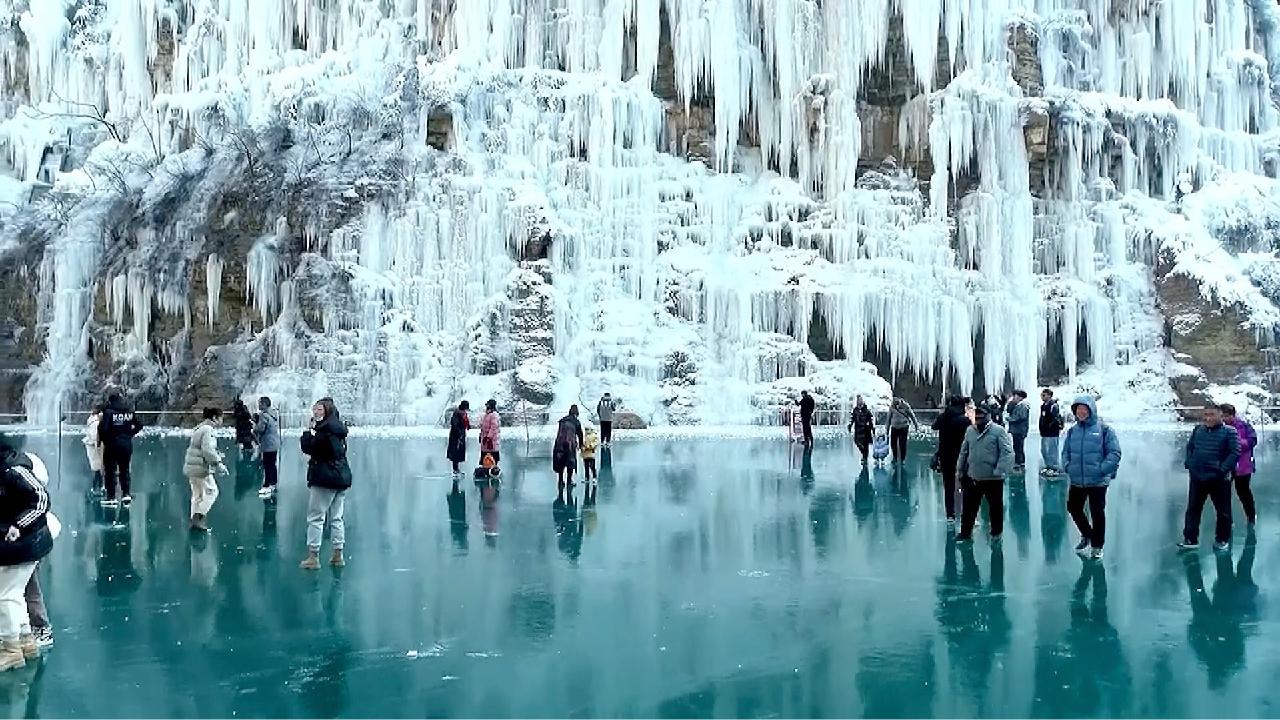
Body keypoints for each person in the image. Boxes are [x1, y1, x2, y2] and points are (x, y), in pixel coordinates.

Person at [0, 435, 54, 671]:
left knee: (7, 595)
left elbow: (41, 500)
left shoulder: (12, 470)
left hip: (25, 544)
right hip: (19, 543)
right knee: (15, 592)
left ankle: (11, 649)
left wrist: (18, 525)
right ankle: (26, 642)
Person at [1060, 395, 1121, 560]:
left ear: (1091, 410)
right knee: (1073, 507)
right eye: (1078, 409)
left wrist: (1102, 470)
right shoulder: (1073, 431)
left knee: (1097, 513)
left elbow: (1114, 453)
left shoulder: (1104, 430)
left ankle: (1097, 546)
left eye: (1084, 409)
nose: (1081, 412)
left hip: (1097, 481)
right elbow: (1065, 452)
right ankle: (1087, 534)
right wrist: (1067, 466)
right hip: (1077, 479)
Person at [1179, 405, 1240, 553]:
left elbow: (1234, 452)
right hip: (1198, 477)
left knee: (1223, 511)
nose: (1207, 418)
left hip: (1219, 480)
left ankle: (1222, 539)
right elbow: (1190, 447)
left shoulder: (1229, 432)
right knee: (1193, 509)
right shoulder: (1198, 430)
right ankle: (1190, 539)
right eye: (1205, 414)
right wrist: (1190, 463)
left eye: (1211, 415)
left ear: (1220, 416)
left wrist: (1222, 469)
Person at [300, 398, 352, 569]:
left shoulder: (325, 432)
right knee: (337, 517)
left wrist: (307, 433)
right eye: (314, 409)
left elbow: (311, 449)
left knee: (316, 517)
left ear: (327, 411)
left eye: (319, 409)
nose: (315, 412)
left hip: (324, 479)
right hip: (341, 478)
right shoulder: (339, 430)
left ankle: (313, 557)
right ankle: (338, 555)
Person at [955, 405, 1014, 544]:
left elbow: (1007, 453)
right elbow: (964, 451)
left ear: (988, 417)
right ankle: (965, 533)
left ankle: (996, 533)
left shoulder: (998, 431)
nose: (979, 419)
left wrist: (998, 471)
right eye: (977, 417)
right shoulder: (970, 430)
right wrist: (960, 469)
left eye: (982, 417)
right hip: (973, 476)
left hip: (993, 478)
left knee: (995, 507)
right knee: (969, 506)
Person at [183, 408, 228, 532]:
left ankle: (194, 520)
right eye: (220, 417)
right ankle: (199, 517)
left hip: (192, 466)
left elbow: (202, 447)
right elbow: (207, 450)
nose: (222, 420)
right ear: (214, 418)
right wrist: (218, 463)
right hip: (201, 467)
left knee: (197, 495)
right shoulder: (208, 430)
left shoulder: (199, 428)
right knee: (212, 492)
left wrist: (217, 453)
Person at [933, 396, 973, 524]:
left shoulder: (943, 417)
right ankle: (965, 513)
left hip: (945, 455)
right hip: (962, 456)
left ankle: (950, 514)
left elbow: (934, 426)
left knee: (948, 486)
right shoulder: (964, 420)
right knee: (966, 484)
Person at [98, 392, 143, 506]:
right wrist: (129, 435)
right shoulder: (129, 411)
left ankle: (111, 497)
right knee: (125, 470)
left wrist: (105, 440)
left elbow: (104, 429)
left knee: (110, 471)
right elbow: (139, 425)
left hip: (112, 445)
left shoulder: (108, 412)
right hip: (126, 445)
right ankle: (126, 494)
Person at [1221, 404, 1258, 526]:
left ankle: (1251, 516)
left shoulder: (1244, 426)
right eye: (1222, 416)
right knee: (1224, 493)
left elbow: (1252, 441)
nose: (1224, 419)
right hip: (1226, 465)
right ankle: (1227, 520)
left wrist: (1237, 443)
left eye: (1226, 416)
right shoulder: (1220, 427)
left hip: (1243, 465)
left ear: (1232, 415)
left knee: (1243, 492)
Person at [254, 396, 281, 499]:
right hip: (274, 443)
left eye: (260, 403)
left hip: (268, 444)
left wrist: (255, 424)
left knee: (267, 464)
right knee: (272, 464)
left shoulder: (264, 415)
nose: (259, 405)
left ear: (264, 404)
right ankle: (273, 484)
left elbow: (260, 429)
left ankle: (267, 485)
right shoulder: (273, 414)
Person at [553, 405, 584, 487]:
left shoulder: (563, 420)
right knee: (570, 462)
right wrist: (581, 445)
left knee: (561, 462)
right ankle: (569, 481)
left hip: (559, 444)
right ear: (577, 413)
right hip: (569, 445)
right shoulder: (576, 422)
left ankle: (560, 481)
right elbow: (580, 434)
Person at [1038, 389, 1065, 477]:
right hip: (1044, 432)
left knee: (1052, 450)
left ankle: (1054, 467)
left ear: (1049, 396)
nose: (1042, 396)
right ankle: (1048, 466)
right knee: (1044, 450)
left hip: (1052, 432)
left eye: (1044, 395)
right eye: (1042, 395)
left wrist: (1050, 427)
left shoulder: (1053, 406)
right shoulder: (1043, 406)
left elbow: (1055, 418)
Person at [887, 397, 919, 462]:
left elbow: (912, 415)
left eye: (897, 403)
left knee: (902, 444)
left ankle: (902, 459)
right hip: (894, 427)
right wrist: (887, 429)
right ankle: (895, 457)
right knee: (893, 444)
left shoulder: (905, 406)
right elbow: (889, 418)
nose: (896, 405)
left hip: (903, 427)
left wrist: (916, 425)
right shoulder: (892, 407)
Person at [1005, 390, 1030, 473]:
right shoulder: (1017, 405)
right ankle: (1019, 461)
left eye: (1015, 396)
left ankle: (1019, 462)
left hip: (1020, 430)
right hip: (1017, 430)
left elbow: (1021, 417)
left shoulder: (1023, 405)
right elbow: (1009, 410)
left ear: (1020, 397)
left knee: (1019, 446)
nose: (1013, 398)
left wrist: (1010, 419)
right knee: (1017, 446)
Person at [83, 405, 105, 496]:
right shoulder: (93, 419)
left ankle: (97, 486)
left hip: (95, 446)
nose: (92, 410)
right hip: (93, 445)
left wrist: (97, 445)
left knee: (97, 467)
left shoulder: (96, 421)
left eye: (94, 409)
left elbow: (95, 435)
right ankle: (99, 486)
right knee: (97, 467)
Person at [847, 395, 875, 462]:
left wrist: (872, 429)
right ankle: (864, 454)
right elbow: (852, 418)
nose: (860, 402)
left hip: (865, 429)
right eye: (858, 400)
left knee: (866, 444)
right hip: (858, 429)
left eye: (861, 400)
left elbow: (870, 420)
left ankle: (865, 458)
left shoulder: (866, 410)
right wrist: (850, 425)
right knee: (857, 442)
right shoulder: (855, 410)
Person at [446, 400, 470, 474]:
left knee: (458, 452)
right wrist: (459, 433)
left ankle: (456, 469)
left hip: (460, 435)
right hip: (455, 436)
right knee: (455, 452)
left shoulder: (463, 414)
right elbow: (454, 424)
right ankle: (455, 469)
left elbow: (464, 423)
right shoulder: (457, 413)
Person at [479, 399, 501, 463]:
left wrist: (489, 437)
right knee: (485, 456)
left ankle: (493, 470)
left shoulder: (494, 415)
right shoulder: (486, 414)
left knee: (492, 456)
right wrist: (481, 435)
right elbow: (482, 426)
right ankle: (486, 469)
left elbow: (494, 427)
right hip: (485, 438)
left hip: (491, 440)